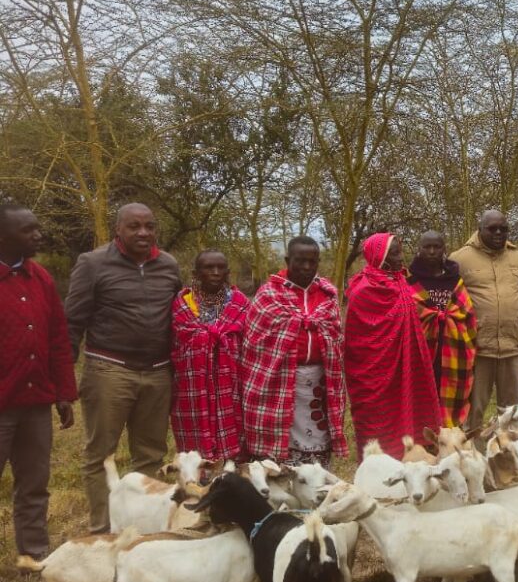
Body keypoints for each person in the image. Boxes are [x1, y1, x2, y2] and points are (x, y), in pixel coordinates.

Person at [66, 202, 180, 533]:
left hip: (158, 372)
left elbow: (180, 317)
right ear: (118, 229)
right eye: (134, 226)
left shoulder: (168, 265)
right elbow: (72, 321)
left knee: (151, 455)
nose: (143, 232)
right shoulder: (93, 264)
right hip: (109, 370)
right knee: (101, 456)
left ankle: (142, 533)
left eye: (149, 226)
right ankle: (104, 533)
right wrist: (62, 377)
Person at [0, 205, 77, 564]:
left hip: (35, 404)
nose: (38, 235)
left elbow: (58, 338)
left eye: (37, 227)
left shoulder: (41, 278)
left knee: (34, 483)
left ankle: (33, 553)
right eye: (28, 230)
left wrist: (64, 393)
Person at [243, 236, 346, 466]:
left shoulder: (328, 295)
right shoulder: (268, 295)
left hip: (319, 384)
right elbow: (255, 344)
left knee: (317, 439)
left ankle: (315, 478)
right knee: (278, 444)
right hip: (276, 383)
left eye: (312, 261)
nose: (306, 267)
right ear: (288, 260)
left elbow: (336, 338)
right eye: (300, 261)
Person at [345, 233, 443, 458]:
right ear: (379, 257)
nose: (401, 258)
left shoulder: (401, 282)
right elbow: (357, 344)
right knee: (377, 431)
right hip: (375, 377)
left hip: (406, 369)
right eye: (394, 254)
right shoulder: (363, 291)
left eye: (400, 252)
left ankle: (409, 462)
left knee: (410, 420)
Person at [449, 210, 518, 430]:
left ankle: (510, 448)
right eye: (492, 228)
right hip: (477, 348)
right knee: (473, 408)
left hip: (513, 346)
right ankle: (471, 447)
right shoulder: (459, 259)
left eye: (503, 229)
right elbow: (452, 302)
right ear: (480, 229)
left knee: (512, 411)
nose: (498, 233)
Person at [169, 249, 249, 461]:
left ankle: (232, 470)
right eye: (209, 267)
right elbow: (176, 345)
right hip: (192, 387)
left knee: (236, 441)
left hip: (231, 384)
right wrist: (206, 339)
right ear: (196, 273)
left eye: (220, 268)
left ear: (228, 272)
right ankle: (199, 474)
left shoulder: (240, 303)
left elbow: (250, 346)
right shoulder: (182, 304)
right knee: (195, 456)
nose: (215, 272)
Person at [409, 231, 478, 428]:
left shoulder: (455, 279)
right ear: (419, 249)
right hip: (419, 351)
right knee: (421, 394)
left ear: (444, 249)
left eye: (436, 247)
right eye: (427, 247)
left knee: (448, 392)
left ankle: (448, 431)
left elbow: (467, 315)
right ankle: (423, 434)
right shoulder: (409, 280)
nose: (432, 251)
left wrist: (449, 321)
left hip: (453, 351)